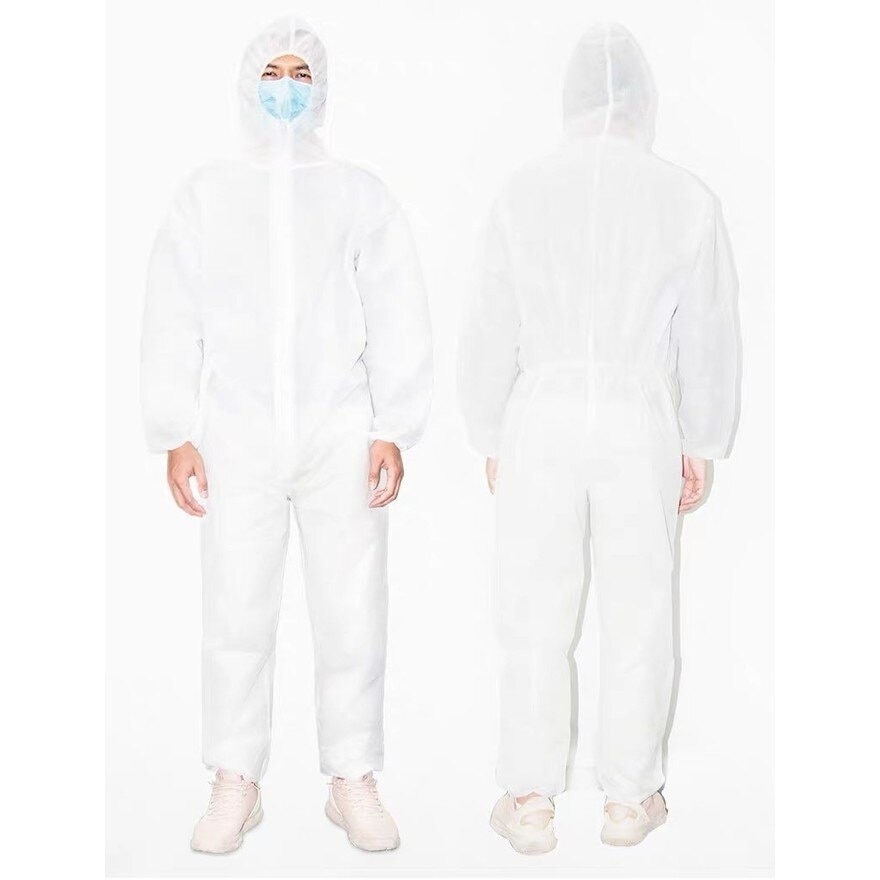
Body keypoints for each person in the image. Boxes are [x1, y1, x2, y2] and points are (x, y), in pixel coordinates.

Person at [141, 16, 431, 854]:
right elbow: (172, 311)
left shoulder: (357, 194)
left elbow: (396, 307)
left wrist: (392, 424)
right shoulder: (207, 193)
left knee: (352, 609)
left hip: (340, 427)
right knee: (236, 608)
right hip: (237, 430)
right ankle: (236, 777)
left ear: (323, 87)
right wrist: (175, 428)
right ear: (247, 82)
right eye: (273, 71)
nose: (287, 88)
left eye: (302, 73)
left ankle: (352, 776)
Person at [458, 22, 739, 853]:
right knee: (640, 607)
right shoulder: (684, 197)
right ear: (645, 99)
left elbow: (491, 320)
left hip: (541, 411)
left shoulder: (523, 191)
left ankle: (530, 799)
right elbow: (708, 331)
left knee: (532, 609)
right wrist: (700, 438)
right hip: (636, 415)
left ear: (569, 97)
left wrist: (491, 428)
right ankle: (630, 797)